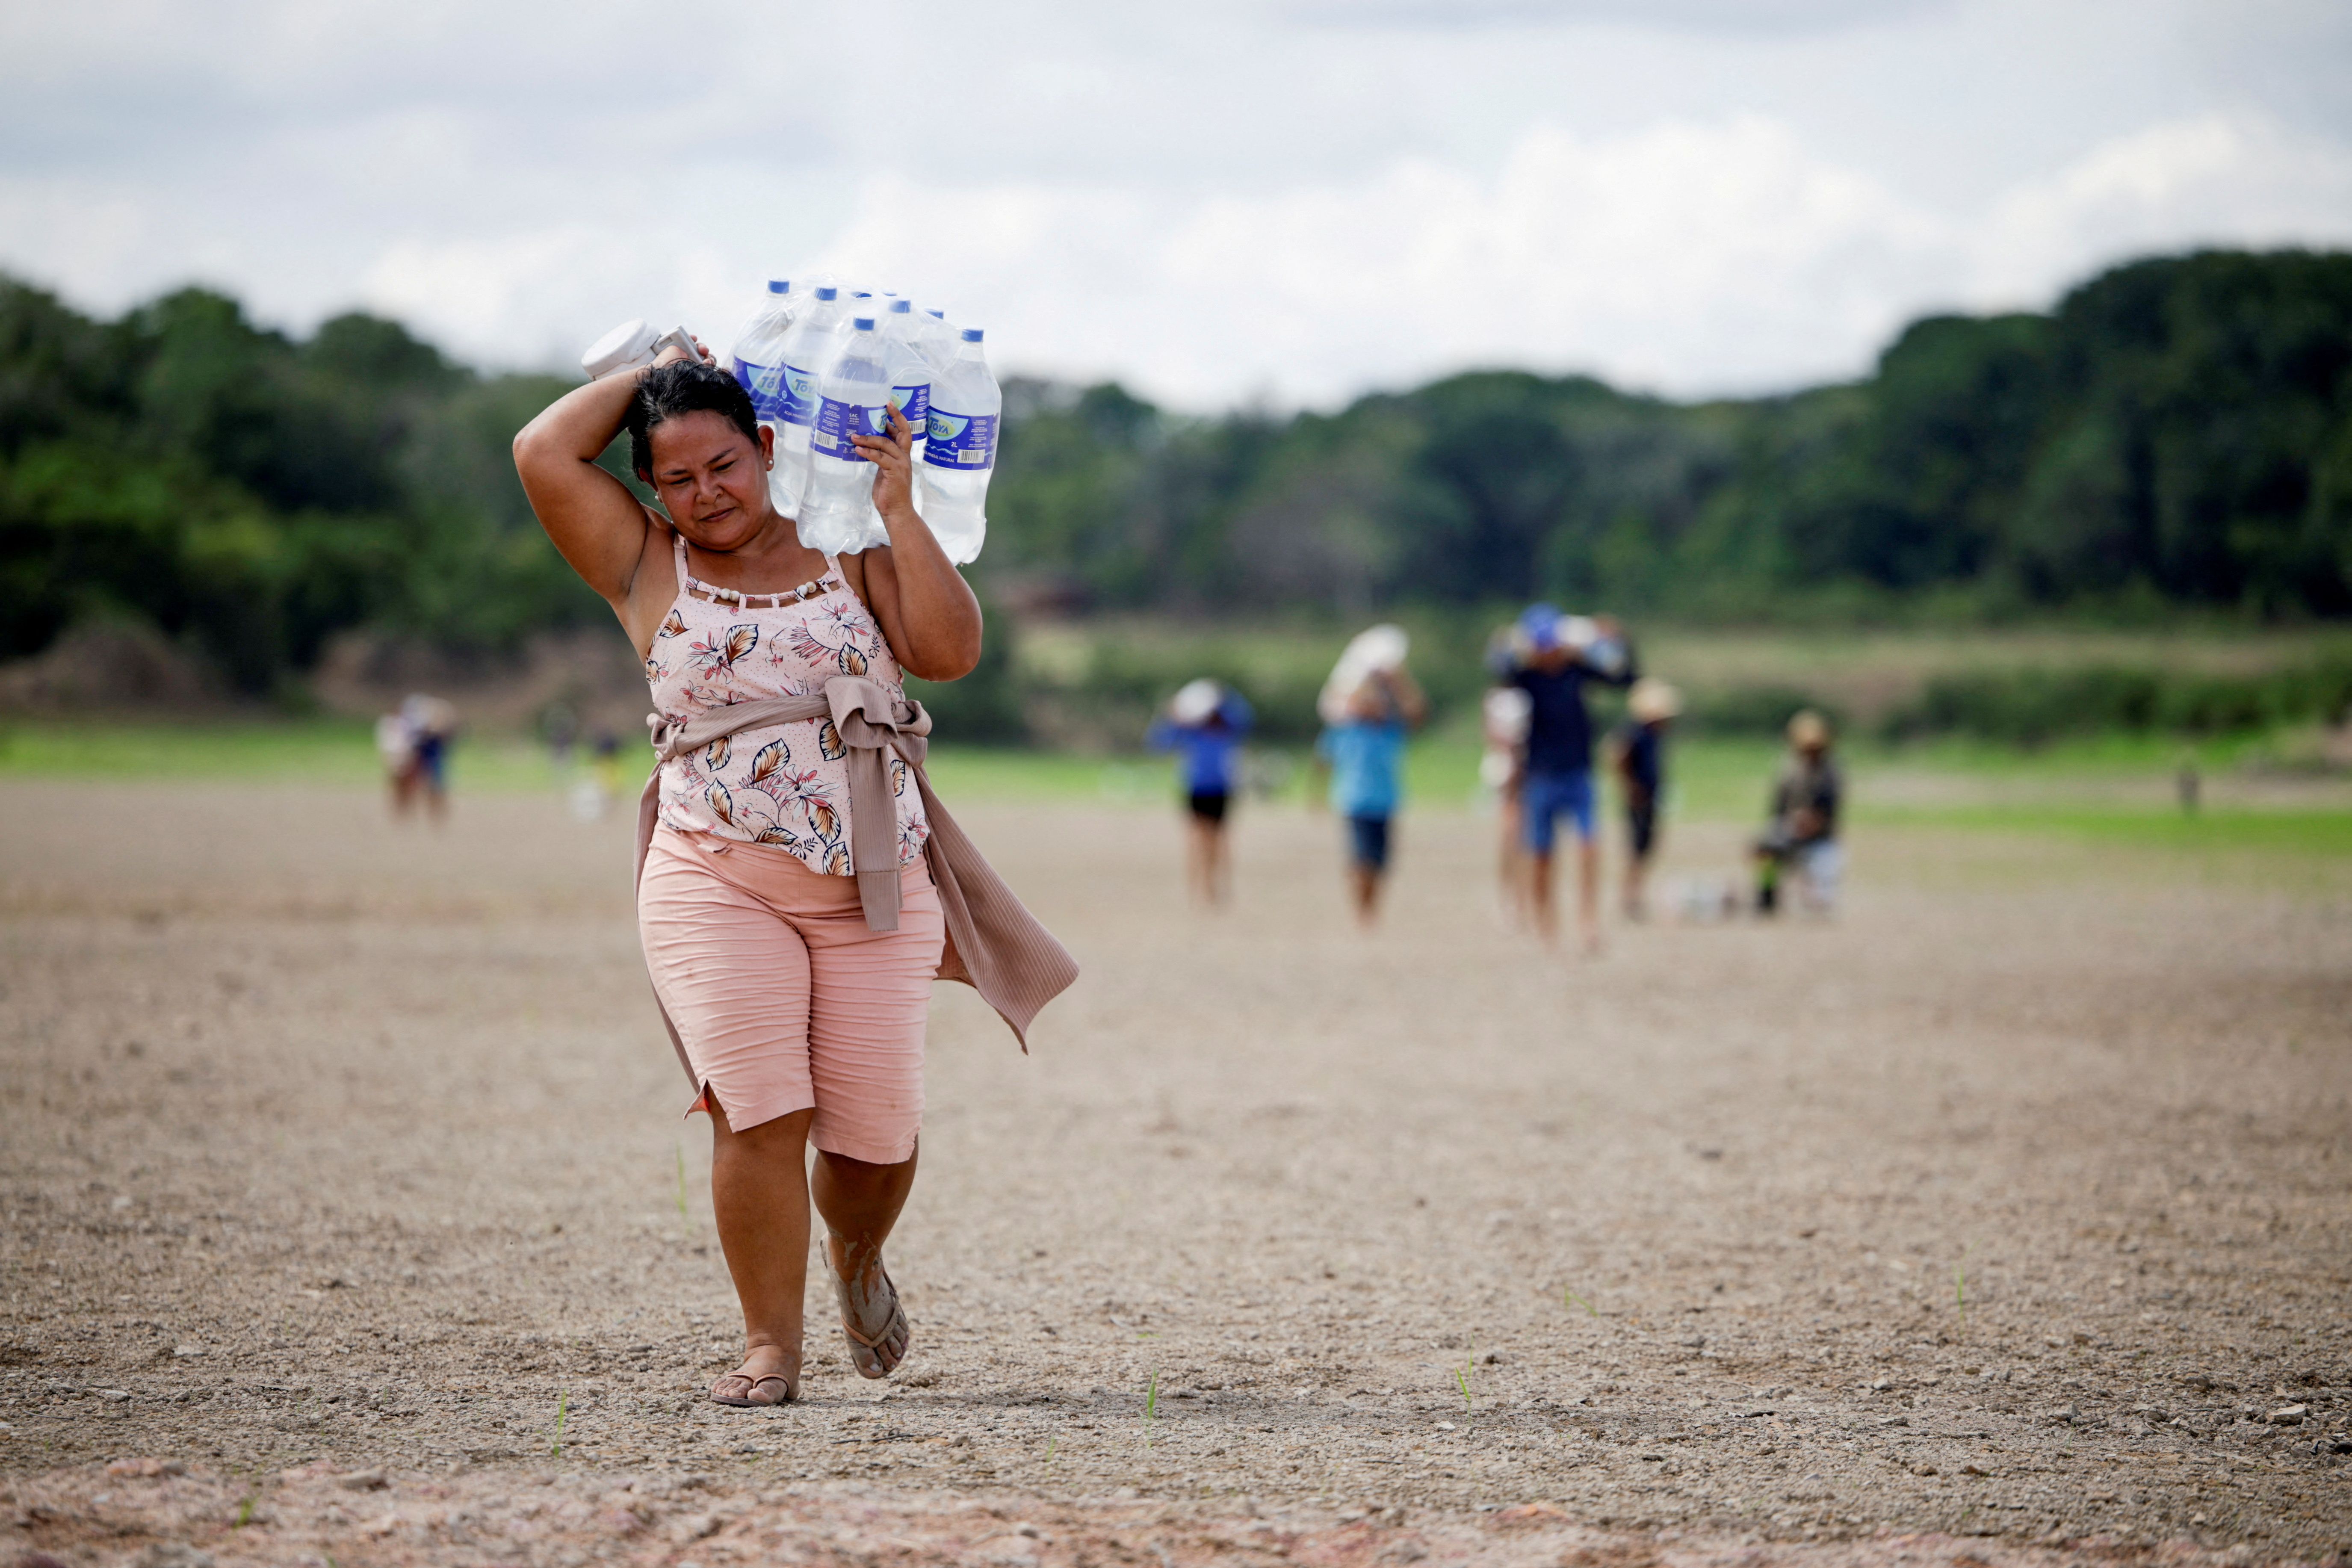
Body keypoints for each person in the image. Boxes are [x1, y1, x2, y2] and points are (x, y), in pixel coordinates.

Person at [512, 343, 1074, 1410]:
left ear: (767, 446)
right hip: (710, 870)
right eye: (673, 477)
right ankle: (770, 1346)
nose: (703, 493)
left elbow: (950, 653)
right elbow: (541, 447)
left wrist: (900, 509)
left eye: (722, 463)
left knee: (874, 1133)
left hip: (873, 875)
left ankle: (854, 1256)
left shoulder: (845, 542)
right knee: (755, 1108)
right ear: (646, 487)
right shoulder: (645, 561)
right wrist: (658, 371)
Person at [1494, 604, 1638, 952]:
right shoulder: (1526, 676)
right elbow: (1498, 668)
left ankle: (1587, 921)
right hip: (1541, 773)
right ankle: (1546, 923)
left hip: (1579, 771)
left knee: (1589, 847)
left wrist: (1615, 640)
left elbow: (1624, 677)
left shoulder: (1579, 669)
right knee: (1541, 855)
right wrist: (1508, 642)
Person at [1311, 626, 1426, 928]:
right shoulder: (1347, 729)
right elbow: (1324, 760)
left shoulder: (1390, 729)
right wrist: (1317, 796)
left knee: (1382, 863)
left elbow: (1417, 712)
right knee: (1361, 858)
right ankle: (1362, 910)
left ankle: (1371, 906)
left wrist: (1397, 678)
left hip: (1386, 800)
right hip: (1354, 799)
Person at [1146, 679, 1253, 907]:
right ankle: (1198, 889)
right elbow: (1159, 743)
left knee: (1219, 841)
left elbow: (1245, 718)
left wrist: (1223, 695)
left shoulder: (1226, 725)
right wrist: (1172, 715)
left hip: (1222, 786)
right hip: (1195, 786)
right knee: (1196, 840)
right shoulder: (1190, 728)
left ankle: (1215, 887)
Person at [1754, 709, 1842, 915]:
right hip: (1791, 830)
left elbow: (1828, 813)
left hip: (1821, 837)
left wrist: (1808, 824)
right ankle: (1767, 897)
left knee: (1820, 904)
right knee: (1766, 848)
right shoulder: (1789, 769)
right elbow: (1777, 808)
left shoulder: (1830, 773)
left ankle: (1815, 896)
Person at [1610, 677, 1681, 922]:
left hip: (1650, 797)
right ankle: (1629, 897)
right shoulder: (1635, 732)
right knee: (1636, 849)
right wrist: (1631, 788)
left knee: (1644, 849)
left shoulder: (1652, 735)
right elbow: (1617, 757)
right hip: (1639, 799)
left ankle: (1635, 895)